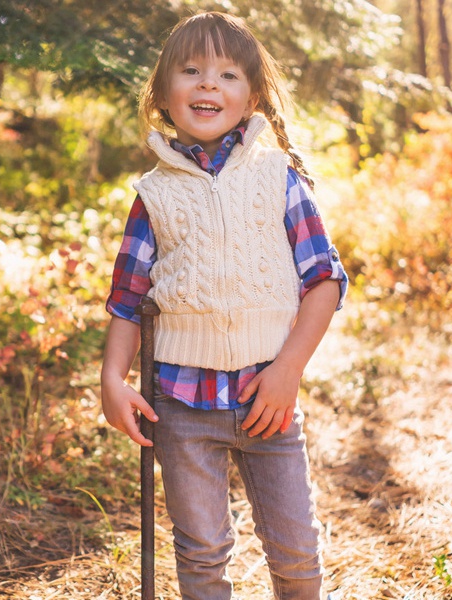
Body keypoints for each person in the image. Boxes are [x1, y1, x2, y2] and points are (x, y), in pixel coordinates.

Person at [100, 11, 348, 600]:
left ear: (252, 95)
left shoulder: (279, 176)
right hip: (181, 409)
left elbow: (325, 281)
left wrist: (287, 372)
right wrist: (113, 376)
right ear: (163, 92)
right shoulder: (153, 195)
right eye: (191, 71)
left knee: (294, 550)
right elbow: (129, 300)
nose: (209, 84)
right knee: (202, 554)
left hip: (270, 399)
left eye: (228, 74)